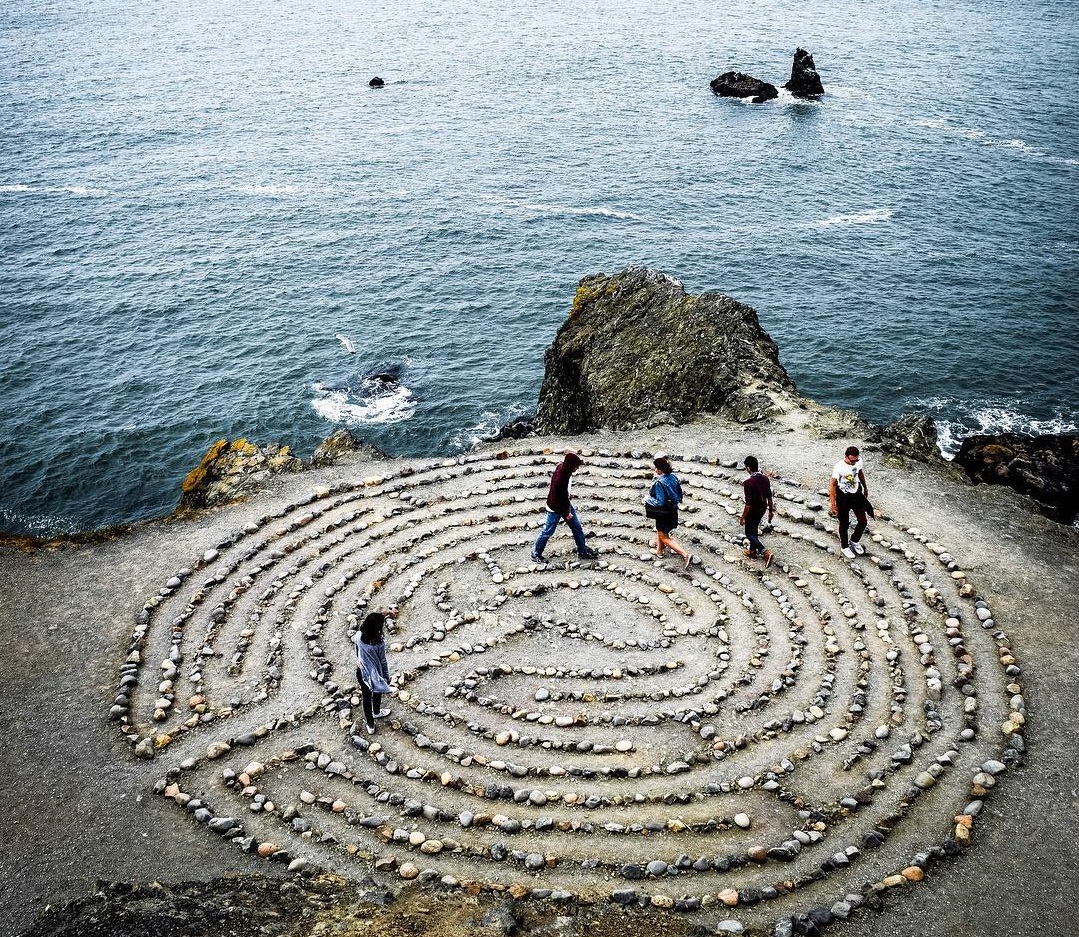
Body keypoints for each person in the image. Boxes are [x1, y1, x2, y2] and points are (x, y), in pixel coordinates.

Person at [531, 449, 599, 562]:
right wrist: (567, 513)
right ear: (571, 466)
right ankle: (536, 553)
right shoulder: (560, 479)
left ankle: (582, 551)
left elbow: (563, 495)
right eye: (576, 466)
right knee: (548, 531)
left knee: (577, 527)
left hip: (564, 504)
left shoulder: (564, 468)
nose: (578, 468)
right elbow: (557, 498)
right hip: (555, 508)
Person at [644, 453, 692, 569]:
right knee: (661, 531)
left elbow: (659, 502)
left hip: (663, 513)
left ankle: (685, 555)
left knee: (664, 537)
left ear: (660, 469)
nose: (655, 470)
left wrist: (647, 498)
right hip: (673, 510)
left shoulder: (660, 483)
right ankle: (659, 551)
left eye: (656, 468)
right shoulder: (673, 476)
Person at [353, 611, 392, 735]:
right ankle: (376, 712)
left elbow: (357, 649)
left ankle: (370, 723)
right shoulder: (379, 643)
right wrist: (386, 676)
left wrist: (358, 659)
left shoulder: (358, 636)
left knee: (366, 697)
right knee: (377, 692)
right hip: (376, 674)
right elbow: (383, 661)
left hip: (362, 672)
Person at [830, 445, 870, 559]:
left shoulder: (858, 461)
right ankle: (844, 546)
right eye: (852, 460)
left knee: (863, 521)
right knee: (844, 523)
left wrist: (865, 487)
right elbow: (832, 486)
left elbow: (860, 472)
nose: (854, 463)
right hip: (843, 497)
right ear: (846, 457)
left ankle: (854, 540)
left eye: (856, 460)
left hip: (856, 493)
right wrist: (833, 505)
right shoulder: (839, 467)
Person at [739, 455, 774, 568]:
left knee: (749, 533)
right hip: (762, 509)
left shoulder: (748, 483)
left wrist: (743, 517)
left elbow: (748, 504)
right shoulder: (765, 478)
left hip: (753, 510)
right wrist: (770, 510)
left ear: (748, 468)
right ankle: (752, 552)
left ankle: (765, 552)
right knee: (754, 530)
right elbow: (769, 496)